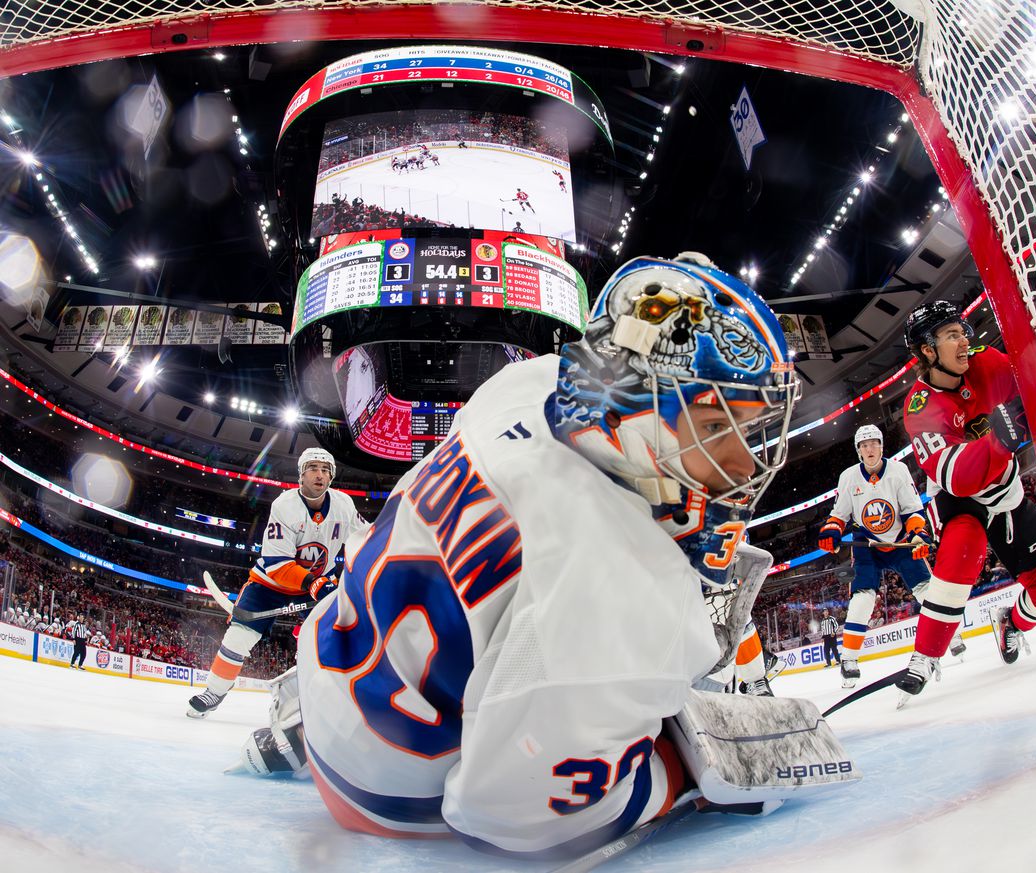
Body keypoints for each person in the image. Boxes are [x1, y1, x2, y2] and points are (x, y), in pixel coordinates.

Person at [284, 253, 800, 857]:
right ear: (638, 405)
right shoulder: (628, 584)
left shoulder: (524, 384)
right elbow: (513, 816)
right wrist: (684, 773)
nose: (742, 466)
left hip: (337, 661)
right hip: (388, 793)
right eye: (715, 425)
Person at [894, 301, 1036, 702]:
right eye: (951, 335)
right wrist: (999, 439)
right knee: (961, 553)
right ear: (928, 351)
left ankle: (1013, 623)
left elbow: (1033, 384)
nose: (964, 341)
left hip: (1006, 493)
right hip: (960, 501)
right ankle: (925, 655)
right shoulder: (920, 407)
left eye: (963, 331)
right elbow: (956, 476)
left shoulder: (988, 362)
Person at [186, 448, 367, 718]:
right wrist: (314, 583)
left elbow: (365, 538)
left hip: (318, 585)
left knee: (326, 641)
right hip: (270, 584)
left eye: (326, 469)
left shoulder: (343, 504)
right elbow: (277, 563)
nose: (320, 474)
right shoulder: (285, 505)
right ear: (301, 475)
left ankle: (318, 702)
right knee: (240, 636)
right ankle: (214, 692)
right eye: (313, 468)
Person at [817, 424, 934, 687]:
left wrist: (918, 534)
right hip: (867, 544)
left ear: (882, 446)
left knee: (928, 590)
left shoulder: (898, 470)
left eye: (874, 443)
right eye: (864, 445)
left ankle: (949, 637)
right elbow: (840, 514)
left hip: (901, 539)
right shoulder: (848, 477)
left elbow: (912, 510)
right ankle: (848, 660)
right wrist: (831, 530)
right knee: (862, 598)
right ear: (858, 451)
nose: (870, 449)